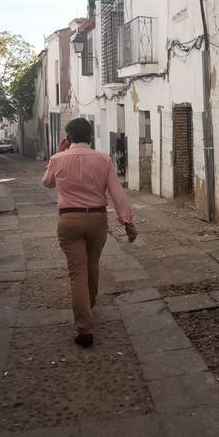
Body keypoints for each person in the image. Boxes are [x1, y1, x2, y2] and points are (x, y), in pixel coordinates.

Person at [41, 118, 137, 347]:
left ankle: (84, 328)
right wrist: (127, 222)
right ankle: (89, 304)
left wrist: (57, 155)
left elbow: (47, 183)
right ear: (90, 136)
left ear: (68, 138)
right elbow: (117, 193)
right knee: (92, 265)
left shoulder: (57, 159)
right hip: (97, 219)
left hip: (69, 220)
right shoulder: (103, 159)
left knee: (77, 273)